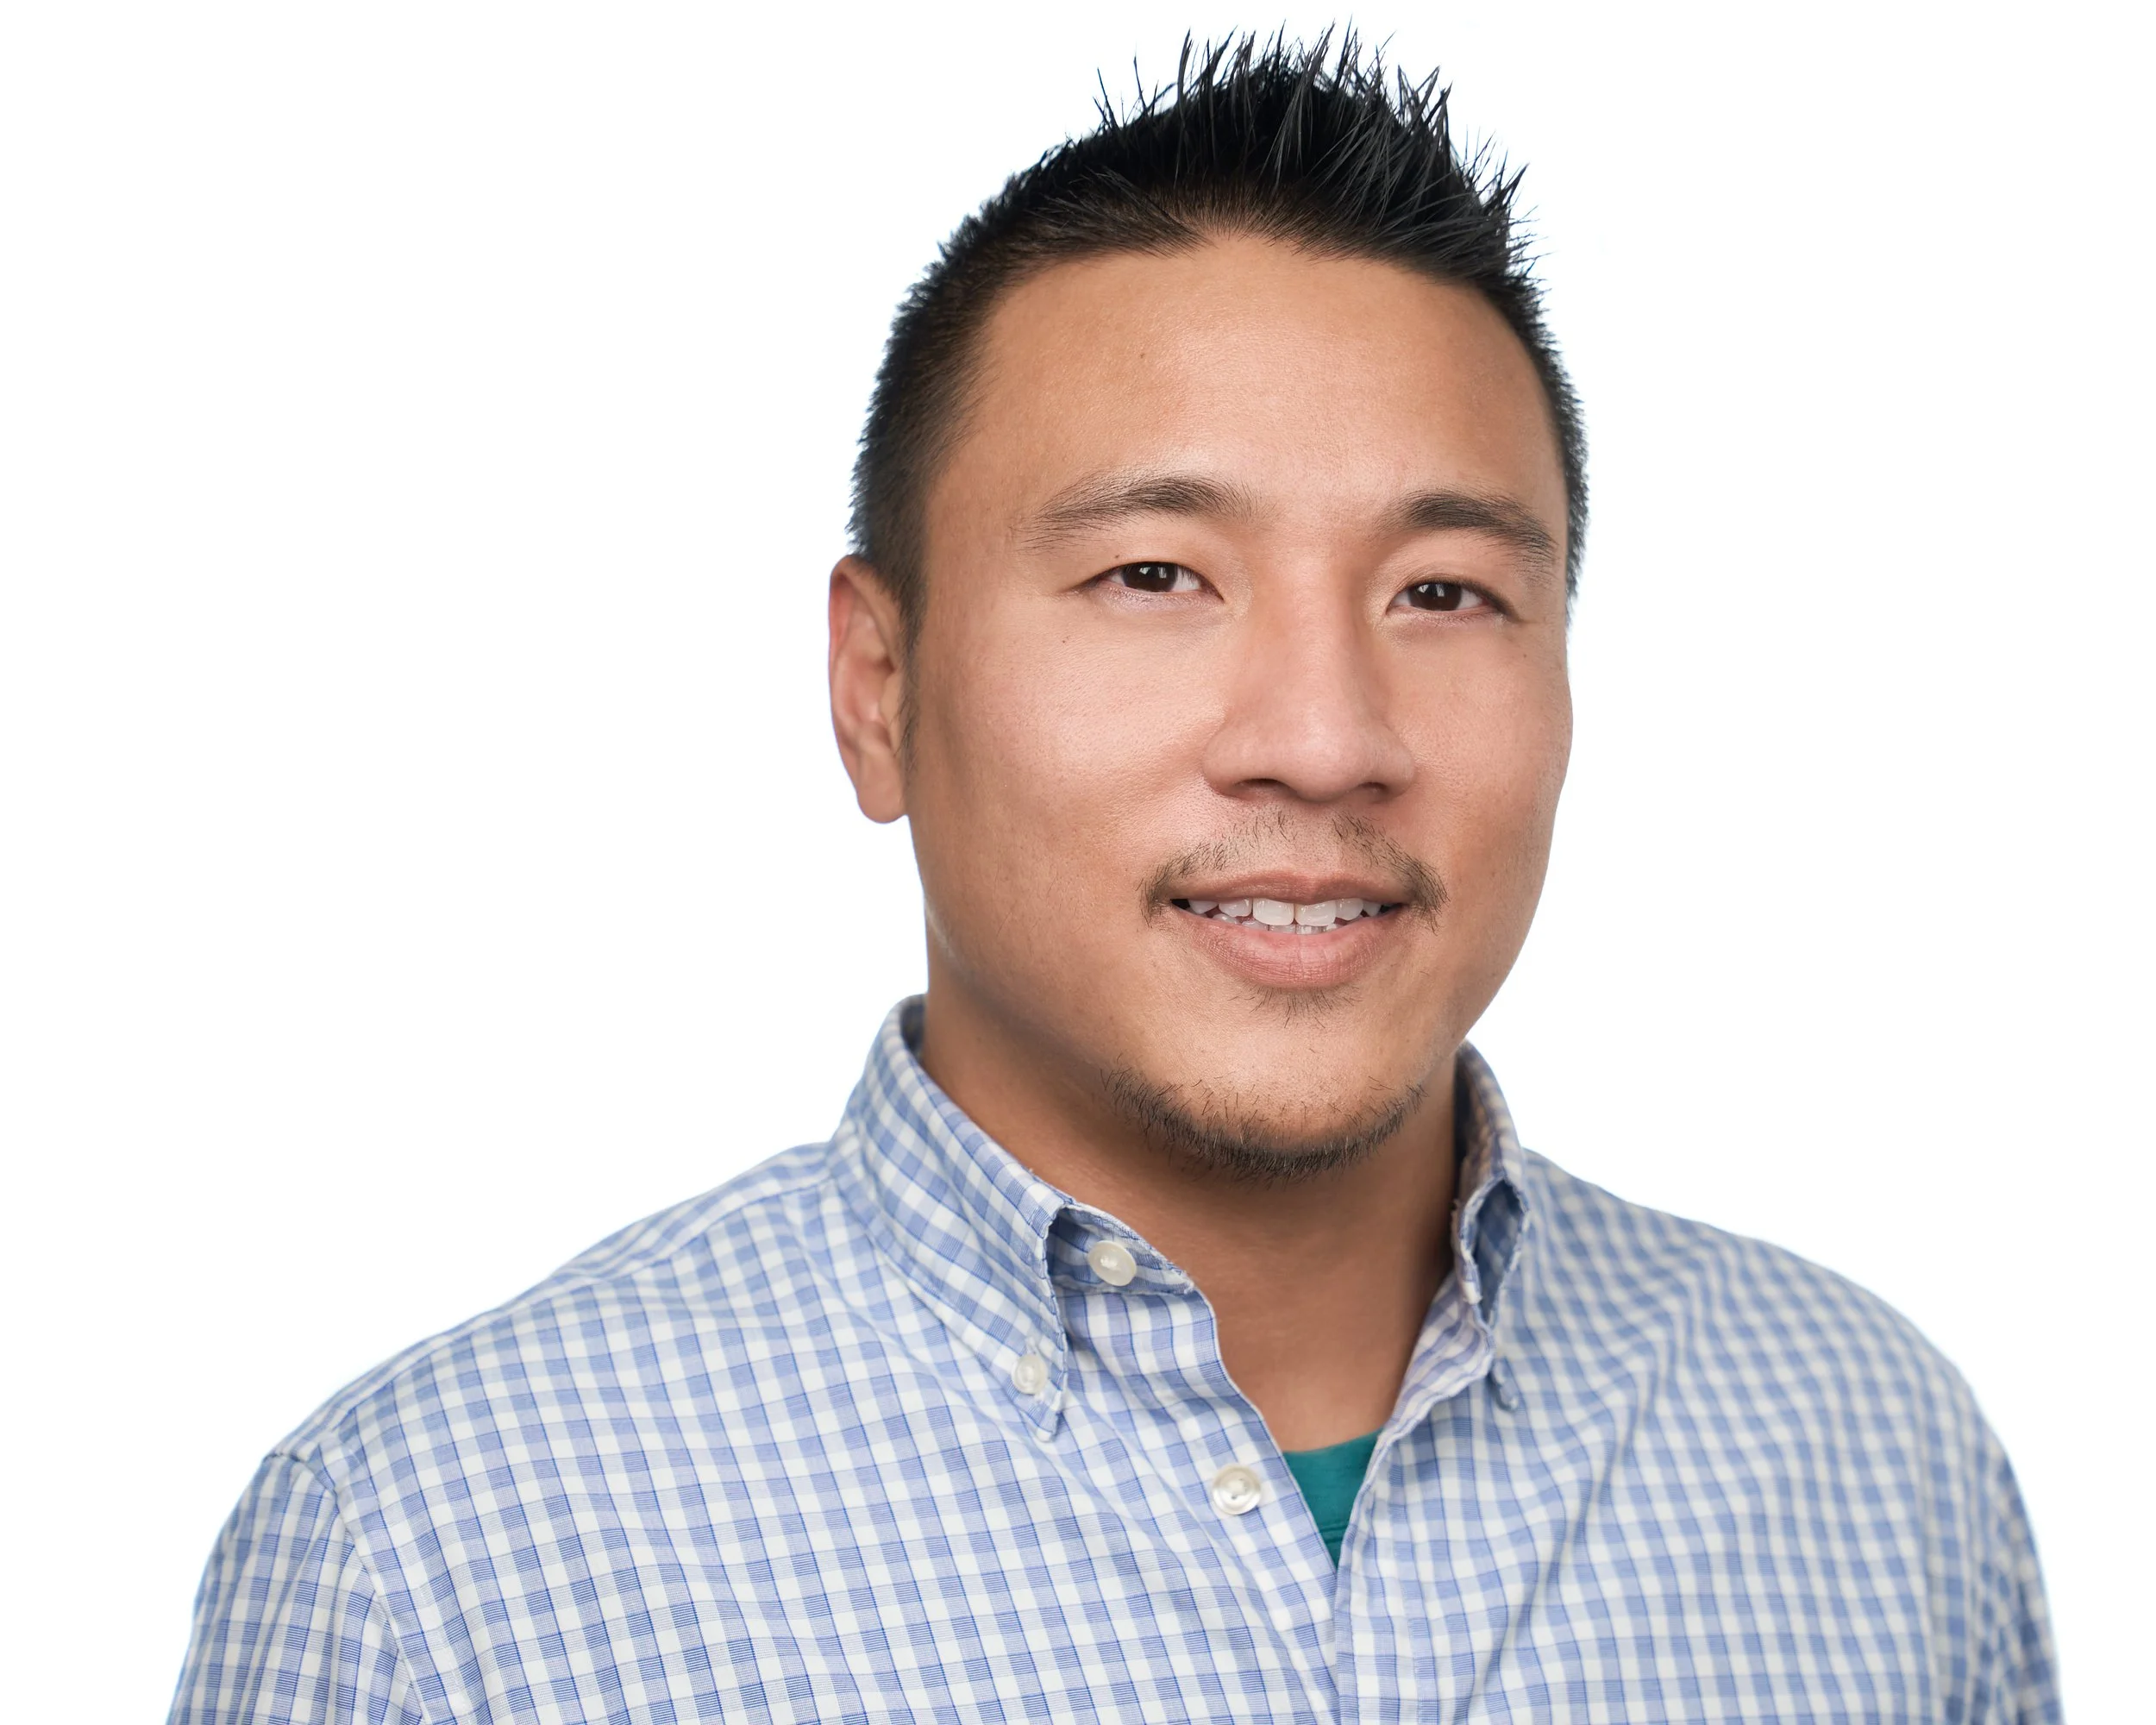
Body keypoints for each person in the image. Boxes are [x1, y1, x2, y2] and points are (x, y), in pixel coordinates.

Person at [169, 35, 2058, 1723]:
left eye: (1443, 593)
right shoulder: (442, 1564)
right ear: (876, 689)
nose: (1321, 736)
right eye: (1156, 575)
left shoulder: (1870, 1458)